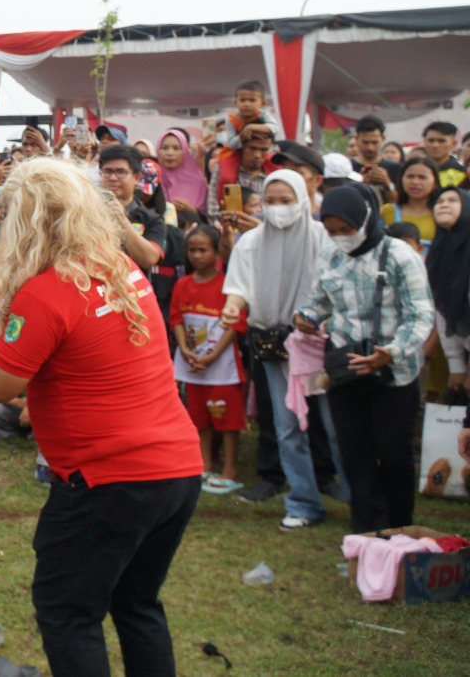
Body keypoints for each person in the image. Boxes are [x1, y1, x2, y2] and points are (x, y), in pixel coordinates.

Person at [0, 160, 202, 677]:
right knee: (138, 604)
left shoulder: (48, 292)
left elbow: (3, 384)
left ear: (27, 222)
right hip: (176, 469)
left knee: (67, 613)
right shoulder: (118, 266)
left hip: (106, 481)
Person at [294, 184, 434, 534]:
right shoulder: (329, 255)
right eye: (332, 231)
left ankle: (400, 529)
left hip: (394, 374)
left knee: (394, 453)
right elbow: (319, 301)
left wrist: (392, 352)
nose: (341, 237)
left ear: (366, 218)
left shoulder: (400, 255)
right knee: (354, 455)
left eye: (347, 229)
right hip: (346, 370)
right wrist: (306, 317)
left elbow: (420, 315)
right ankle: (367, 532)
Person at [222, 170, 346, 528]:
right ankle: (303, 502)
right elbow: (239, 285)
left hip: (321, 344)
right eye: (271, 201)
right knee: (287, 425)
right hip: (275, 345)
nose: (277, 209)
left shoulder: (325, 238)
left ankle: (361, 497)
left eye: (285, 200)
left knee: (335, 423)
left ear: (303, 199)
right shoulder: (251, 241)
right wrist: (234, 305)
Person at [169, 225, 246, 494]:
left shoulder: (229, 286)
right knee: (199, 418)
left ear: (216, 252)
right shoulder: (182, 285)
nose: (197, 256)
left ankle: (230, 469)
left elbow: (236, 324)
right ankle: (204, 466)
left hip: (222, 366)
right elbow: (176, 317)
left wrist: (213, 355)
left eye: (203, 250)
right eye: (192, 250)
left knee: (226, 418)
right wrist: (184, 348)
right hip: (192, 364)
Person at [426, 189, 469, 400]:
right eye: (439, 200)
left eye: (453, 200)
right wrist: (456, 364)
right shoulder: (438, 250)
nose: (443, 204)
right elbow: (441, 308)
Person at [98, 145, 165, 270]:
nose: (112, 178)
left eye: (121, 172)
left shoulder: (152, 219)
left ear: (137, 177)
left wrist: (121, 219)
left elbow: (149, 259)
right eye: (107, 172)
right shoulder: (87, 214)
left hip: (134, 287)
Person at [381, 156, 439, 247]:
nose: (415, 182)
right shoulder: (386, 211)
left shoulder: (442, 213)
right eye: (410, 176)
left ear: (435, 183)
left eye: (422, 177)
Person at [155, 129, 208, 213]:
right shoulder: (152, 179)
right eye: (165, 148)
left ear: (185, 152)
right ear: (157, 150)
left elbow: (208, 220)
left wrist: (191, 210)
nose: (170, 153)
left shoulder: (197, 182)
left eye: (176, 148)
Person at [351, 115, 402, 201]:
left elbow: (400, 203)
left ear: (383, 139)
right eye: (365, 142)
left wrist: (387, 184)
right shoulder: (347, 168)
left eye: (375, 142)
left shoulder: (396, 168)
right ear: (357, 139)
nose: (370, 147)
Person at [422, 120, 466, 189]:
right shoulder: (413, 169)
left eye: (441, 141)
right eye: (431, 140)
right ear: (424, 142)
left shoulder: (462, 174)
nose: (435, 145)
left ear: (454, 144)